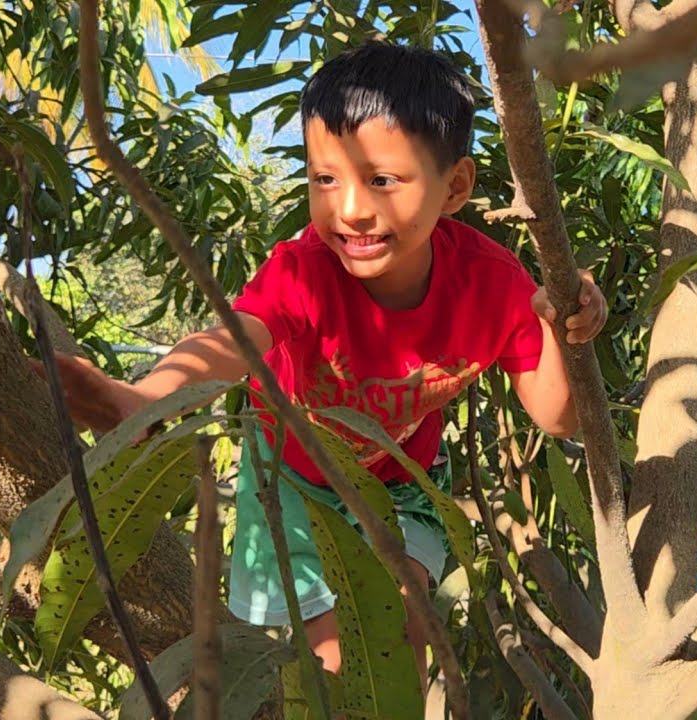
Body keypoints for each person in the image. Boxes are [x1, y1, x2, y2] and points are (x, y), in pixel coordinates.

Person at [43, 43, 608, 685]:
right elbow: (234, 340)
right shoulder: (304, 272)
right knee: (334, 661)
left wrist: (559, 321)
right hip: (291, 482)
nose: (350, 210)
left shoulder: (493, 285)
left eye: (382, 181)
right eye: (325, 179)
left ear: (455, 187)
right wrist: (149, 397)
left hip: (400, 482)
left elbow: (557, 417)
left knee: (401, 631)